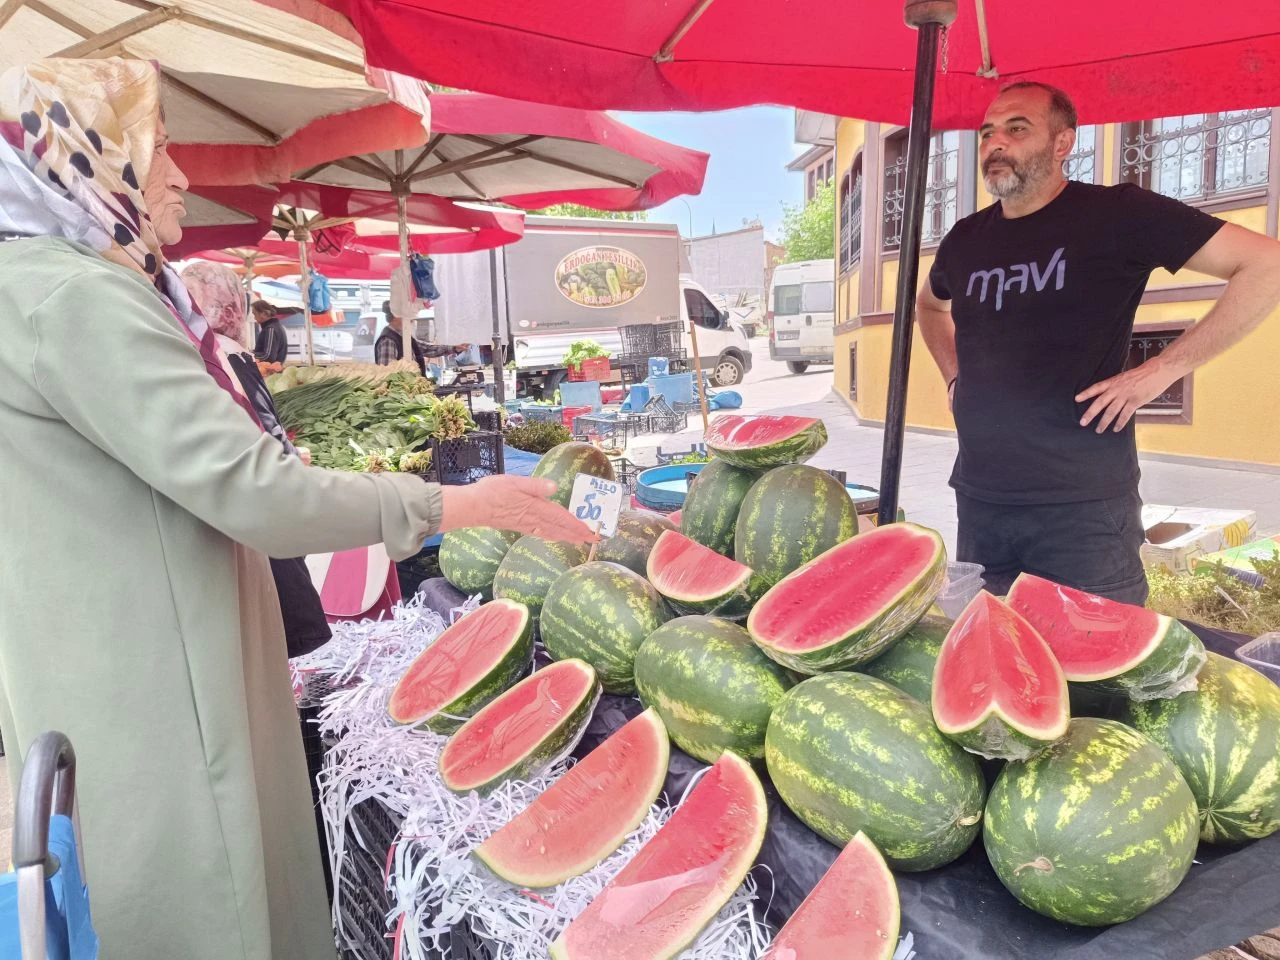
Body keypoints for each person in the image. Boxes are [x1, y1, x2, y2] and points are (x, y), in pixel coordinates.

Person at [0, 57, 594, 960]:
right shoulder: (75, 297)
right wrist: (460, 503)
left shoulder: (23, 286)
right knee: (211, 911)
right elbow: (257, 491)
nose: (181, 176)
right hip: (159, 695)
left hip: (94, 672)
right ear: (86, 159)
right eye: (156, 150)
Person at [918, 81, 1280, 603]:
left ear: (1062, 143)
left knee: (1098, 653)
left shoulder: (1118, 214)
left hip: (1083, 511)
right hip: (981, 504)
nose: (996, 143)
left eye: (1017, 129)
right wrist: (953, 375)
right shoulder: (964, 240)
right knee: (993, 645)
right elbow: (930, 307)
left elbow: (1265, 265)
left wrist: (1162, 370)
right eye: (988, 132)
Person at [183, 260, 331, 657]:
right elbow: (263, 429)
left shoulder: (193, 355)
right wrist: (289, 460)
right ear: (232, 306)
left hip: (225, 509)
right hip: (257, 504)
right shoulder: (227, 357)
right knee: (279, 613)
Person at [375, 298, 469, 375]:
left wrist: (454, 348)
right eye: (407, 314)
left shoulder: (403, 336)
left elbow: (426, 349)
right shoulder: (388, 340)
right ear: (396, 315)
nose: (411, 318)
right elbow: (388, 375)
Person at [252, 297, 288, 364]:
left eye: (255, 314)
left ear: (263, 313)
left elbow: (268, 356)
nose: (254, 318)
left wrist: (250, 356)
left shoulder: (271, 329)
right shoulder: (275, 326)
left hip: (269, 368)